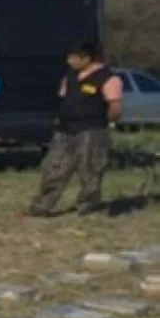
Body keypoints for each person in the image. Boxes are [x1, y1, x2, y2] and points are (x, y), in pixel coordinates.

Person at [28, 40, 123, 217]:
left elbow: (115, 107)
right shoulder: (70, 76)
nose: (69, 61)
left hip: (92, 130)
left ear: (86, 58)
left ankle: (88, 206)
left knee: (90, 170)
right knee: (54, 167)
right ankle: (42, 206)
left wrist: (107, 123)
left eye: (73, 57)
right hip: (65, 130)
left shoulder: (109, 78)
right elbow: (64, 99)